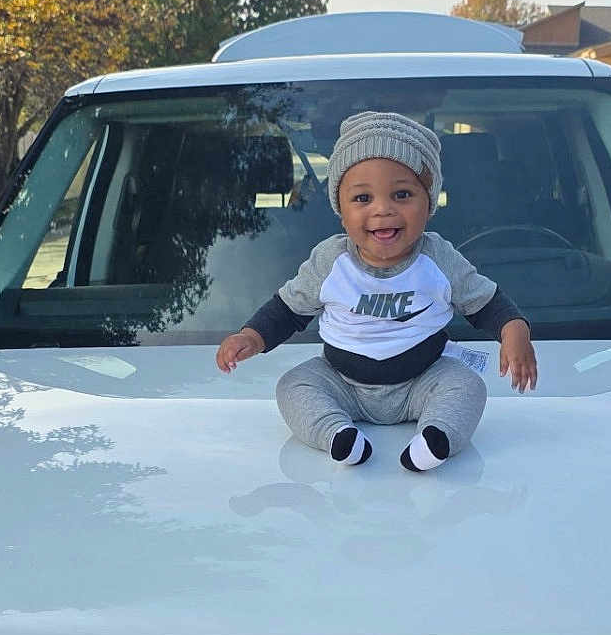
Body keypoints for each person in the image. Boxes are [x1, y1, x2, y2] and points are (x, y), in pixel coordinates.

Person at [215, 111, 538, 470]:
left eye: (402, 194)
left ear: (428, 204)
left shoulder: (439, 258)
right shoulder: (330, 260)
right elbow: (288, 310)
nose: (383, 209)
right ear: (341, 211)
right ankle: (337, 434)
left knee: (468, 387)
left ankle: (437, 438)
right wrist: (252, 336)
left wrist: (514, 329)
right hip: (341, 383)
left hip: (423, 380)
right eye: (363, 198)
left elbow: (486, 304)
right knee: (293, 386)